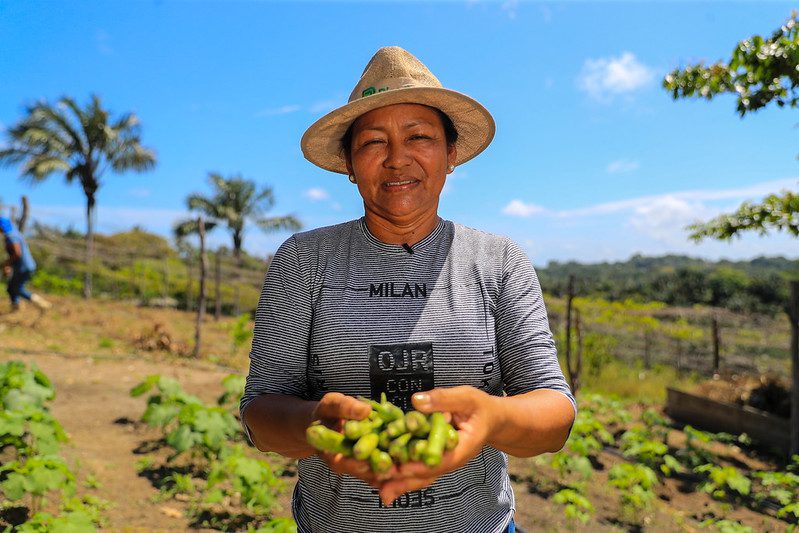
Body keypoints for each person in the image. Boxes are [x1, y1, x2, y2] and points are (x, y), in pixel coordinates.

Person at [241, 47, 576, 533]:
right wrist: (318, 423)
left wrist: (491, 418)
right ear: (351, 165)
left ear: (451, 154)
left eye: (419, 137)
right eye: (374, 142)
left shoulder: (499, 261)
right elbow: (261, 413)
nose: (398, 159)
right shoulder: (304, 261)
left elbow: (555, 415)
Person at [0, 217, 51, 312]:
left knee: (16, 288)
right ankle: (16, 307)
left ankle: (41, 304)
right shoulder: (15, 233)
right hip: (26, 266)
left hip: (24, 267)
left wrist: (6, 263)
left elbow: (17, 253)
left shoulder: (11, 237)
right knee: (11, 287)